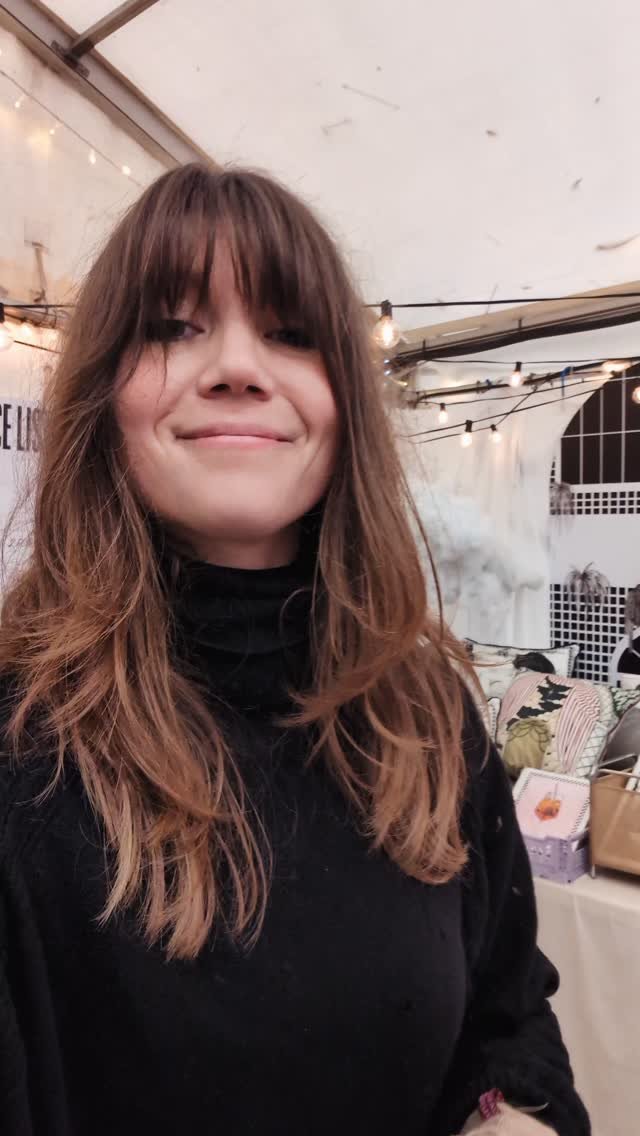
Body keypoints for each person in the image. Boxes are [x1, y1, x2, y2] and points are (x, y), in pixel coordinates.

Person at [0, 164, 589, 1136]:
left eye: (290, 332)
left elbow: (510, 1013)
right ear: (103, 392)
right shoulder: (23, 745)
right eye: (172, 326)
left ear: (343, 401)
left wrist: (511, 1114)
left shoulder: (426, 715)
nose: (237, 366)